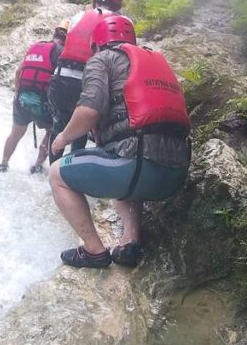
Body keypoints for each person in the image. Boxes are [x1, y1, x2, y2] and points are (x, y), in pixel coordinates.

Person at [48, 14, 191, 268]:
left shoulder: (101, 59)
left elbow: (89, 111)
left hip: (134, 169)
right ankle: (130, 241)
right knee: (121, 153)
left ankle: (93, 251)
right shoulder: (156, 63)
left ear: (96, 45)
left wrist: (62, 138)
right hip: (175, 175)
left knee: (57, 174)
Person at [47, 0, 123, 163]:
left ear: (94, 0)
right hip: (86, 83)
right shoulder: (120, 21)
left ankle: (53, 176)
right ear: (117, 5)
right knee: (79, 130)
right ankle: (68, 176)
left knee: (59, 128)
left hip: (59, 80)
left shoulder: (78, 16)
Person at [0, 22, 68, 174]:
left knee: (15, 133)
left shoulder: (38, 47)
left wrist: (18, 95)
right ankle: (37, 165)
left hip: (22, 99)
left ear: (54, 34)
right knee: (51, 131)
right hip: (42, 102)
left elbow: (18, 73)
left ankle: (3, 163)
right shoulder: (61, 52)